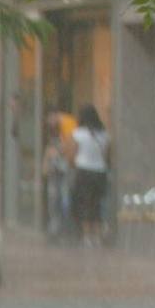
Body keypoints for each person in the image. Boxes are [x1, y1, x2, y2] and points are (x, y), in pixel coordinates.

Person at [68, 104, 110, 247]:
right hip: (100, 172)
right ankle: (97, 236)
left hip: (83, 171)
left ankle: (87, 236)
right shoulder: (104, 135)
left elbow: (72, 155)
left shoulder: (78, 134)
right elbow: (106, 156)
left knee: (84, 203)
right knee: (96, 204)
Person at [42, 114, 71, 243]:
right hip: (55, 177)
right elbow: (47, 160)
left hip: (62, 177)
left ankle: (59, 231)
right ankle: (55, 230)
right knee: (54, 204)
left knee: (60, 203)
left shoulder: (64, 141)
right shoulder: (52, 144)